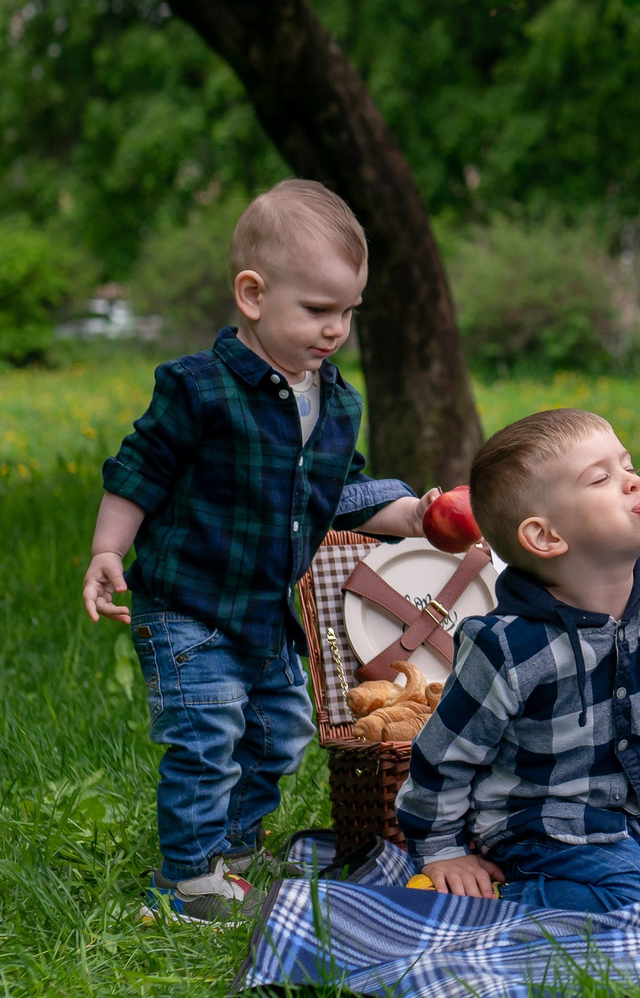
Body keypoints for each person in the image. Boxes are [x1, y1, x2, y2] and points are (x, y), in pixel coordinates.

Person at [82, 179, 427, 923]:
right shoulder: (198, 388)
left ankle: (234, 849)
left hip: (271, 616)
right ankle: (184, 878)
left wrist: (419, 512)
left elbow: (344, 489)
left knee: (280, 733)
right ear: (252, 294)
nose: (335, 329)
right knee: (207, 732)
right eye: (316, 309)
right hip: (189, 606)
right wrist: (109, 547)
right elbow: (139, 468)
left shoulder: (336, 400)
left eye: (347, 312)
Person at [396, 409, 640, 918]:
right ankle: (514, 901)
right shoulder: (507, 646)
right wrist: (443, 851)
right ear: (545, 537)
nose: (634, 481)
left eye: (628, 465)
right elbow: (444, 755)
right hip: (546, 826)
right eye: (602, 479)